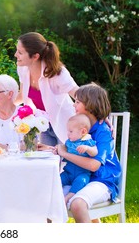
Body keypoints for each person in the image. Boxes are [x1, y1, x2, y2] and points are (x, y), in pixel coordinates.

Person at [57, 82, 121, 223]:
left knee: (77, 204)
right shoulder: (83, 127)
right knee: (49, 198)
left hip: (103, 180)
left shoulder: (103, 131)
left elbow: (94, 165)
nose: (74, 105)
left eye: (77, 102)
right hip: (81, 177)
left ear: (90, 105)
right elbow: (72, 149)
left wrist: (65, 154)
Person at [14, 32, 78, 146]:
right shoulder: (22, 69)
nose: (15, 55)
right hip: (44, 125)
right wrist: (0, 107)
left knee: (64, 161)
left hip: (66, 125)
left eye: (20, 52)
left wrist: (100, 114)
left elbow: (80, 96)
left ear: (35, 56)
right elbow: (21, 96)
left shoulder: (58, 73)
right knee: (45, 160)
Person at [60, 114, 98, 204]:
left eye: (71, 131)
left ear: (83, 131)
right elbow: (63, 149)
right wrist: (55, 150)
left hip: (82, 173)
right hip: (68, 172)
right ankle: (55, 193)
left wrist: (87, 148)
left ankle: (69, 196)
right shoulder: (69, 142)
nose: (68, 134)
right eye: (68, 131)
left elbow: (95, 152)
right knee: (59, 179)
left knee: (81, 181)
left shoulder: (87, 141)